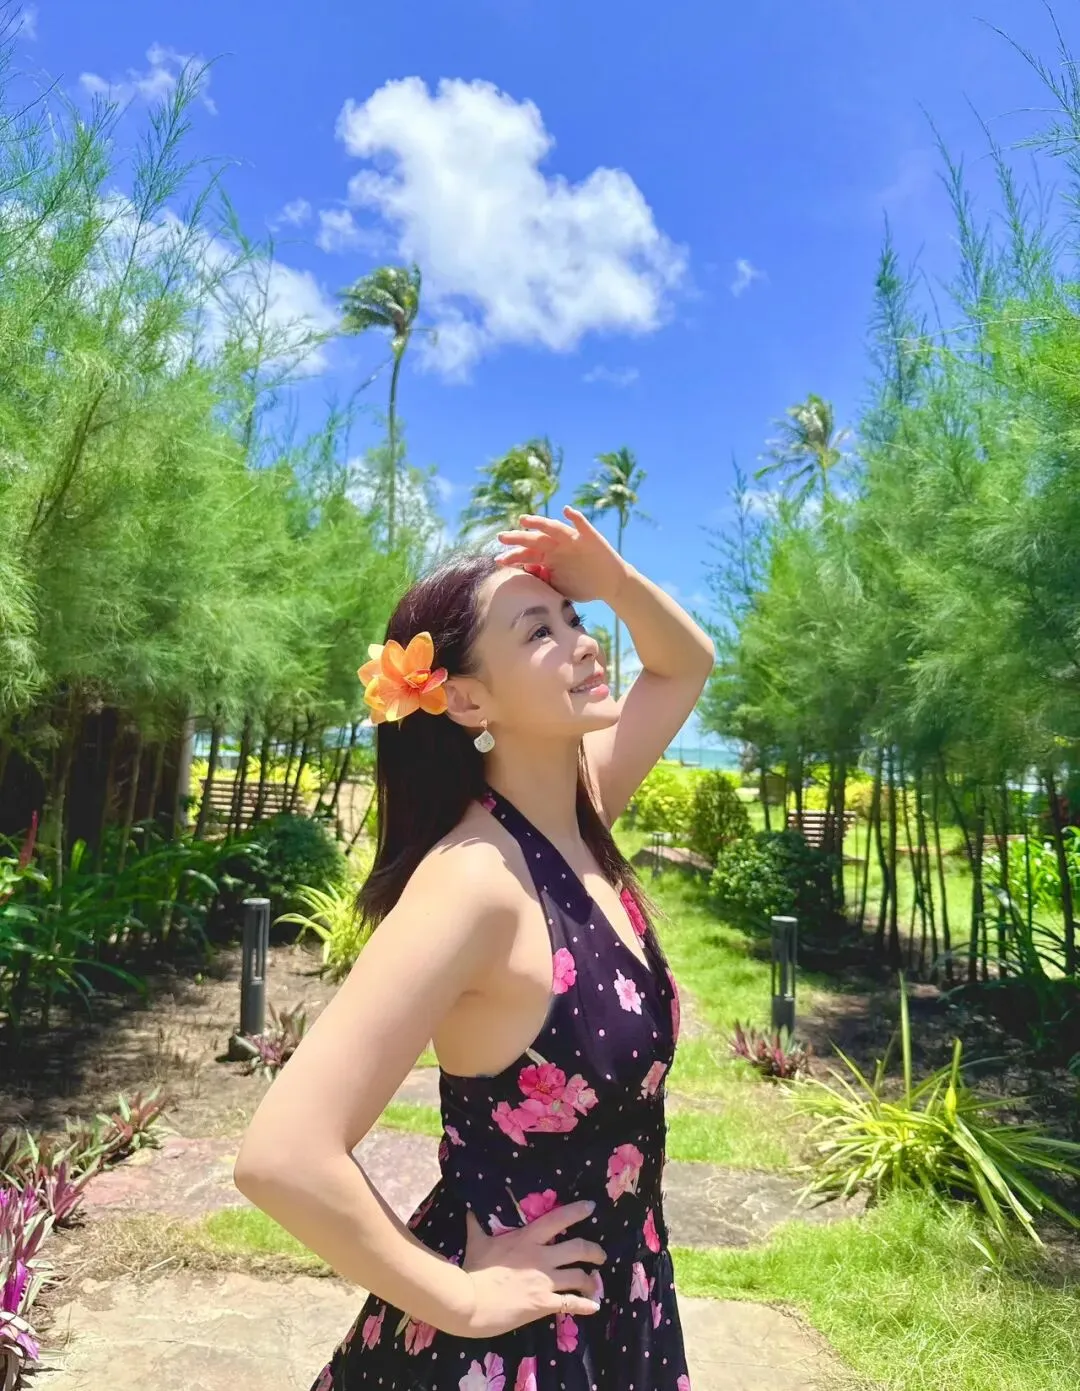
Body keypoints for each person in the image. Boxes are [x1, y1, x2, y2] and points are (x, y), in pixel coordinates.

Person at [233, 506, 714, 1391]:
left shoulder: (577, 816)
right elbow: (283, 1154)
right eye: (539, 631)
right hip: (519, 1346)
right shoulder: (473, 883)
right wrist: (458, 1298)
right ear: (466, 700)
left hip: (622, 1299)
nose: (584, 643)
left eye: (573, 618)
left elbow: (685, 663)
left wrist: (612, 581)